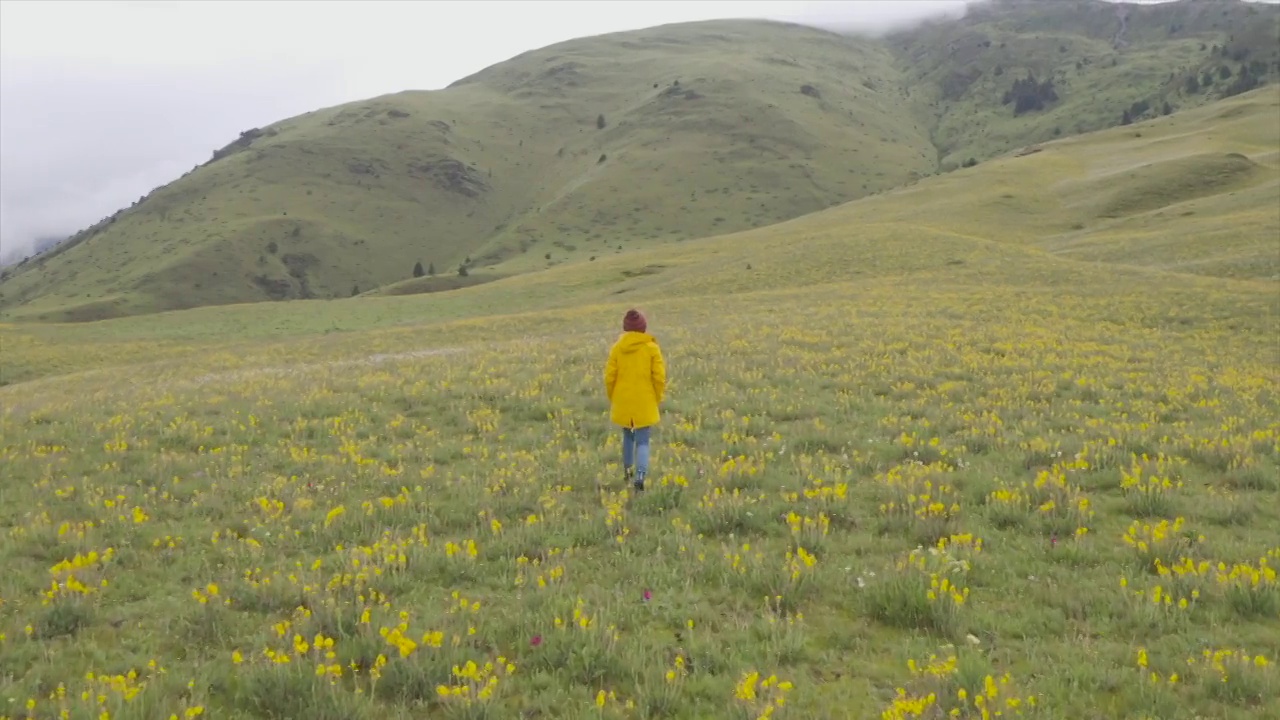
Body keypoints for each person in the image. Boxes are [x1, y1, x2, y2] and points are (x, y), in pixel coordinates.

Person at [604, 309, 666, 492]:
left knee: (627, 436)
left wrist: (613, 397)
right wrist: (657, 396)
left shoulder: (617, 348)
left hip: (623, 400)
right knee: (643, 440)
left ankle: (627, 470)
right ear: (643, 328)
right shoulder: (651, 348)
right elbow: (659, 377)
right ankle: (640, 476)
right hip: (645, 400)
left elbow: (609, 377)